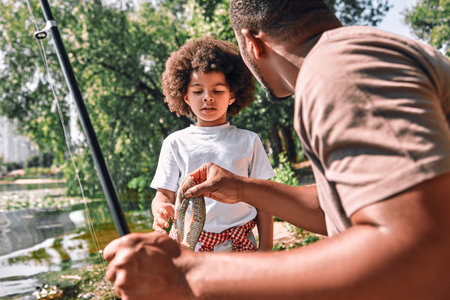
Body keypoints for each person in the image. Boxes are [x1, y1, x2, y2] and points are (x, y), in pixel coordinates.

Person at [103, 1, 450, 299]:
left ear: (252, 42)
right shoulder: (357, 54)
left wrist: (190, 275)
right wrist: (242, 188)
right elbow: (343, 206)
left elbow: (420, 248)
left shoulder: (339, 72)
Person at [150, 36, 275, 252]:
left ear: (232, 95)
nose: (208, 98)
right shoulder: (175, 143)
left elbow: (264, 202)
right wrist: (160, 208)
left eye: (217, 91)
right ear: (185, 97)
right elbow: (163, 193)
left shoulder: (249, 141)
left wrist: (266, 249)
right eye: (198, 91)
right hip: (191, 247)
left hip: (242, 245)